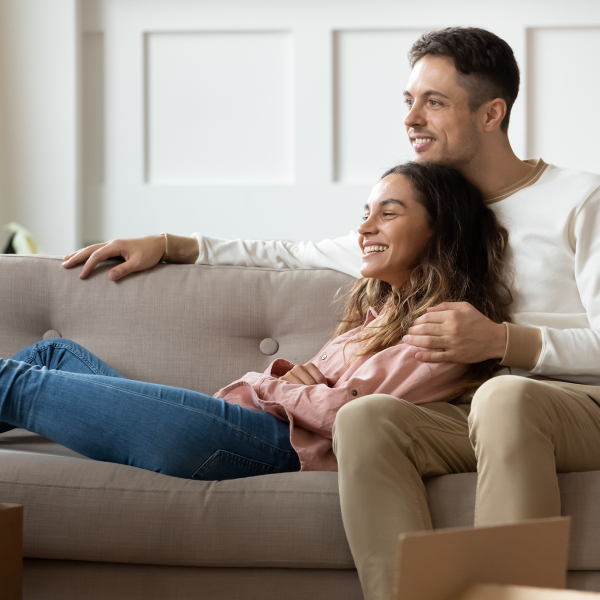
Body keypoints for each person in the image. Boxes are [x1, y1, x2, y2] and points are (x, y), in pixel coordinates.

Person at [62, 26, 600, 600]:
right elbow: (290, 253)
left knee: (505, 395)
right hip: (468, 416)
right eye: (409, 101)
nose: (412, 118)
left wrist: (503, 342)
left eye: (434, 102)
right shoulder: (436, 219)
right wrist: (172, 242)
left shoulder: (578, 200)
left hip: (573, 405)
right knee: (366, 417)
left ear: (492, 113)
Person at [1, 162, 508, 482]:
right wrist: (292, 387)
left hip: (263, 445)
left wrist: (278, 387)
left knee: (12, 382)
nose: (364, 228)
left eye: (388, 214)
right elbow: (324, 395)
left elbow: (350, 418)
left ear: (440, 230)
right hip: (238, 421)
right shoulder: (374, 320)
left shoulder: (445, 331)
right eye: (365, 213)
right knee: (52, 356)